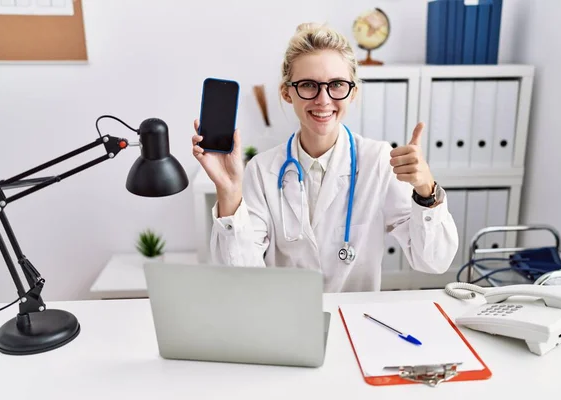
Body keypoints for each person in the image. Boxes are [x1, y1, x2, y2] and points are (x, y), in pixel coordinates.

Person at [192, 23, 458, 293]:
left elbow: (434, 261)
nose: (323, 99)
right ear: (287, 92)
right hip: (286, 321)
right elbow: (239, 278)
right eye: (308, 85)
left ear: (353, 91)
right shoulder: (263, 170)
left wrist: (426, 191)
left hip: (355, 323)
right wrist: (228, 191)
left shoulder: (378, 161)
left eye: (337, 85)